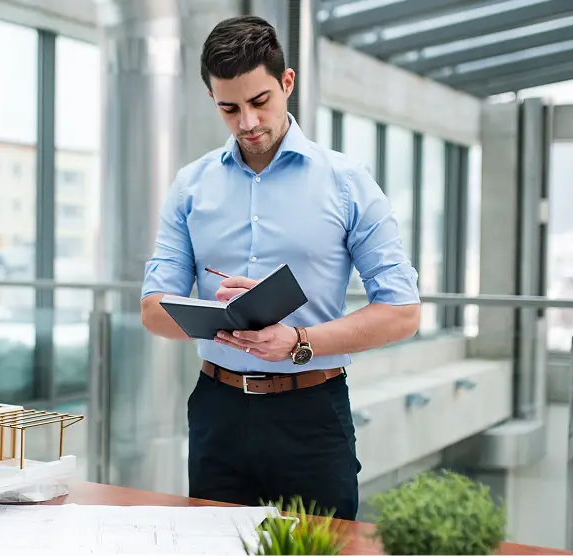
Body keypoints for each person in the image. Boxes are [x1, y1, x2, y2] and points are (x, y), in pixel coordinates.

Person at [138, 15, 422, 521]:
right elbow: (154, 309)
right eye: (230, 108)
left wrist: (297, 343)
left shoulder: (347, 182)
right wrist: (224, 320)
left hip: (311, 413)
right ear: (213, 99)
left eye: (260, 101)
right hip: (217, 409)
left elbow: (401, 312)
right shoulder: (190, 186)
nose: (247, 122)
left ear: (286, 83)